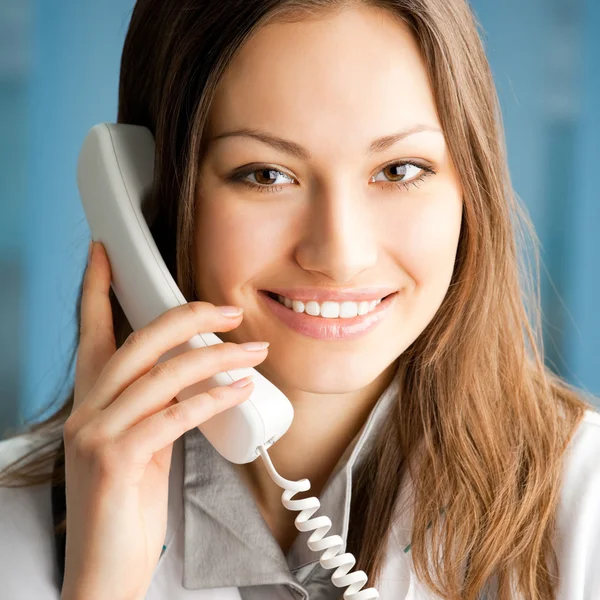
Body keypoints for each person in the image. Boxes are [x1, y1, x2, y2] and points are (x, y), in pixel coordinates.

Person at [1, 0, 599, 598]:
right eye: (266, 174)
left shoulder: (585, 506)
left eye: (398, 170)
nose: (341, 255)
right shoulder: (14, 524)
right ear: (148, 197)